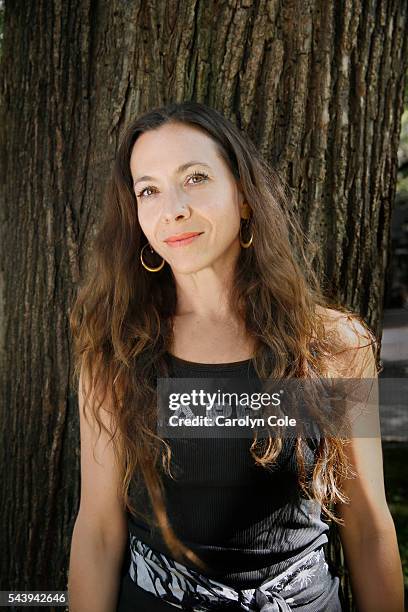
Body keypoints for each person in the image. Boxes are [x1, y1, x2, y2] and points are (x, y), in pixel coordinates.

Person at [67, 101, 404, 611]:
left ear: (244, 197)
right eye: (149, 190)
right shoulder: (115, 354)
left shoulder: (333, 346)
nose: (172, 208)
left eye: (195, 177)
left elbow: (369, 529)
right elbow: (96, 532)